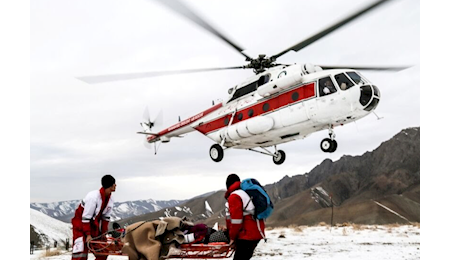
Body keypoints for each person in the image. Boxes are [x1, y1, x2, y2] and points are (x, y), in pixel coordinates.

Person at [71, 175, 116, 260]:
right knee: (80, 254)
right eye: (114, 184)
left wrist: (103, 234)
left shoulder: (110, 199)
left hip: (94, 226)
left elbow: (105, 218)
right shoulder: (93, 197)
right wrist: (88, 235)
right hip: (81, 226)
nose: (116, 185)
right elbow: (85, 218)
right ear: (110, 186)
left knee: (103, 251)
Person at [224, 174, 265, 260]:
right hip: (255, 232)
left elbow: (236, 221)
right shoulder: (246, 193)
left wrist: (232, 238)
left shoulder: (234, 196)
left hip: (247, 235)